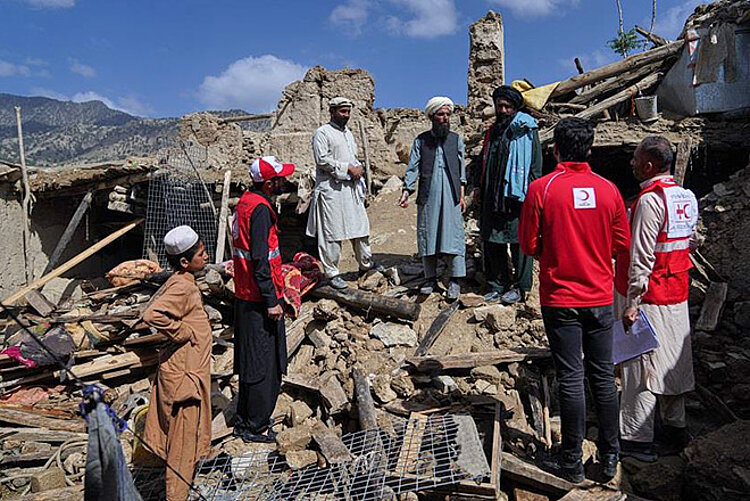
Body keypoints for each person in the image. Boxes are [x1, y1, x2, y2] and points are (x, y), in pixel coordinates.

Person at [519, 117, 630, 483]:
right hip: (600, 297)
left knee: (570, 377)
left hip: (560, 298)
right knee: (602, 376)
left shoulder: (542, 188)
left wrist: (554, 253)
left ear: (555, 150)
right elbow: (621, 244)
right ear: (590, 149)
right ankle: (611, 456)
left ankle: (571, 463)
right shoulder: (609, 190)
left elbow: (528, 244)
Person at [614, 136, 698, 461]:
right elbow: (689, 242)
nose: (632, 164)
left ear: (649, 164)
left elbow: (641, 256)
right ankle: (676, 428)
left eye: (636, 159)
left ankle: (636, 440)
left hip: (648, 298)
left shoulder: (650, 202)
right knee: (674, 363)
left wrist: (632, 301)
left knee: (641, 368)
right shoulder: (685, 197)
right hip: (676, 293)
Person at [142, 225, 212, 501]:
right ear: (184, 262)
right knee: (181, 449)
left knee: (184, 443)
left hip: (188, 372)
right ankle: (176, 496)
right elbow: (152, 314)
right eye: (201, 254)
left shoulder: (181, 280)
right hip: (186, 381)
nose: (205, 258)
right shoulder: (182, 286)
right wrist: (184, 332)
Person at [232, 155, 294, 443]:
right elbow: (260, 258)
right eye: (280, 178)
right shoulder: (259, 210)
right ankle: (256, 425)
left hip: (246, 294)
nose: (285, 181)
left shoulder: (246, 202)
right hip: (259, 298)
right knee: (263, 364)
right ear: (269, 184)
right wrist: (272, 299)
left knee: (250, 360)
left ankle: (246, 419)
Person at [473, 85, 542, 305]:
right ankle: (496, 285)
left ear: (515, 108)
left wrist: (531, 194)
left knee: (520, 243)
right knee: (493, 241)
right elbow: (482, 162)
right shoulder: (491, 133)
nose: (502, 110)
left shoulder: (526, 130)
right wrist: (478, 188)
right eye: (499, 106)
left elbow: (535, 167)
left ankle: (521, 287)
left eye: (507, 106)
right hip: (492, 196)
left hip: (516, 197)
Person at [398, 97, 467, 300]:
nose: (445, 118)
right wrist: (406, 191)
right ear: (432, 116)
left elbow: (462, 170)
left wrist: (462, 195)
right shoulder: (421, 140)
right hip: (428, 193)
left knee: (453, 234)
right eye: (440, 114)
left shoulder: (456, 139)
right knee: (428, 233)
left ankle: (455, 279)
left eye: (447, 114)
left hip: (452, 193)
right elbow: (412, 168)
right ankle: (430, 278)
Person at [306, 97, 374, 289]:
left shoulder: (349, 134)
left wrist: (357, 168)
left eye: (348, 111)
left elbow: (352, 158)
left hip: (351, 189)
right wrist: (347, 168)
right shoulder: (322, 133)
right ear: (333, 111)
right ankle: (333, 273)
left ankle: (366, 265)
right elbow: (322, 160)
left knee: (360, 228)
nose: (346, 115)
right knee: (332, 233)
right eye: (342, 111)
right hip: (331, 190)